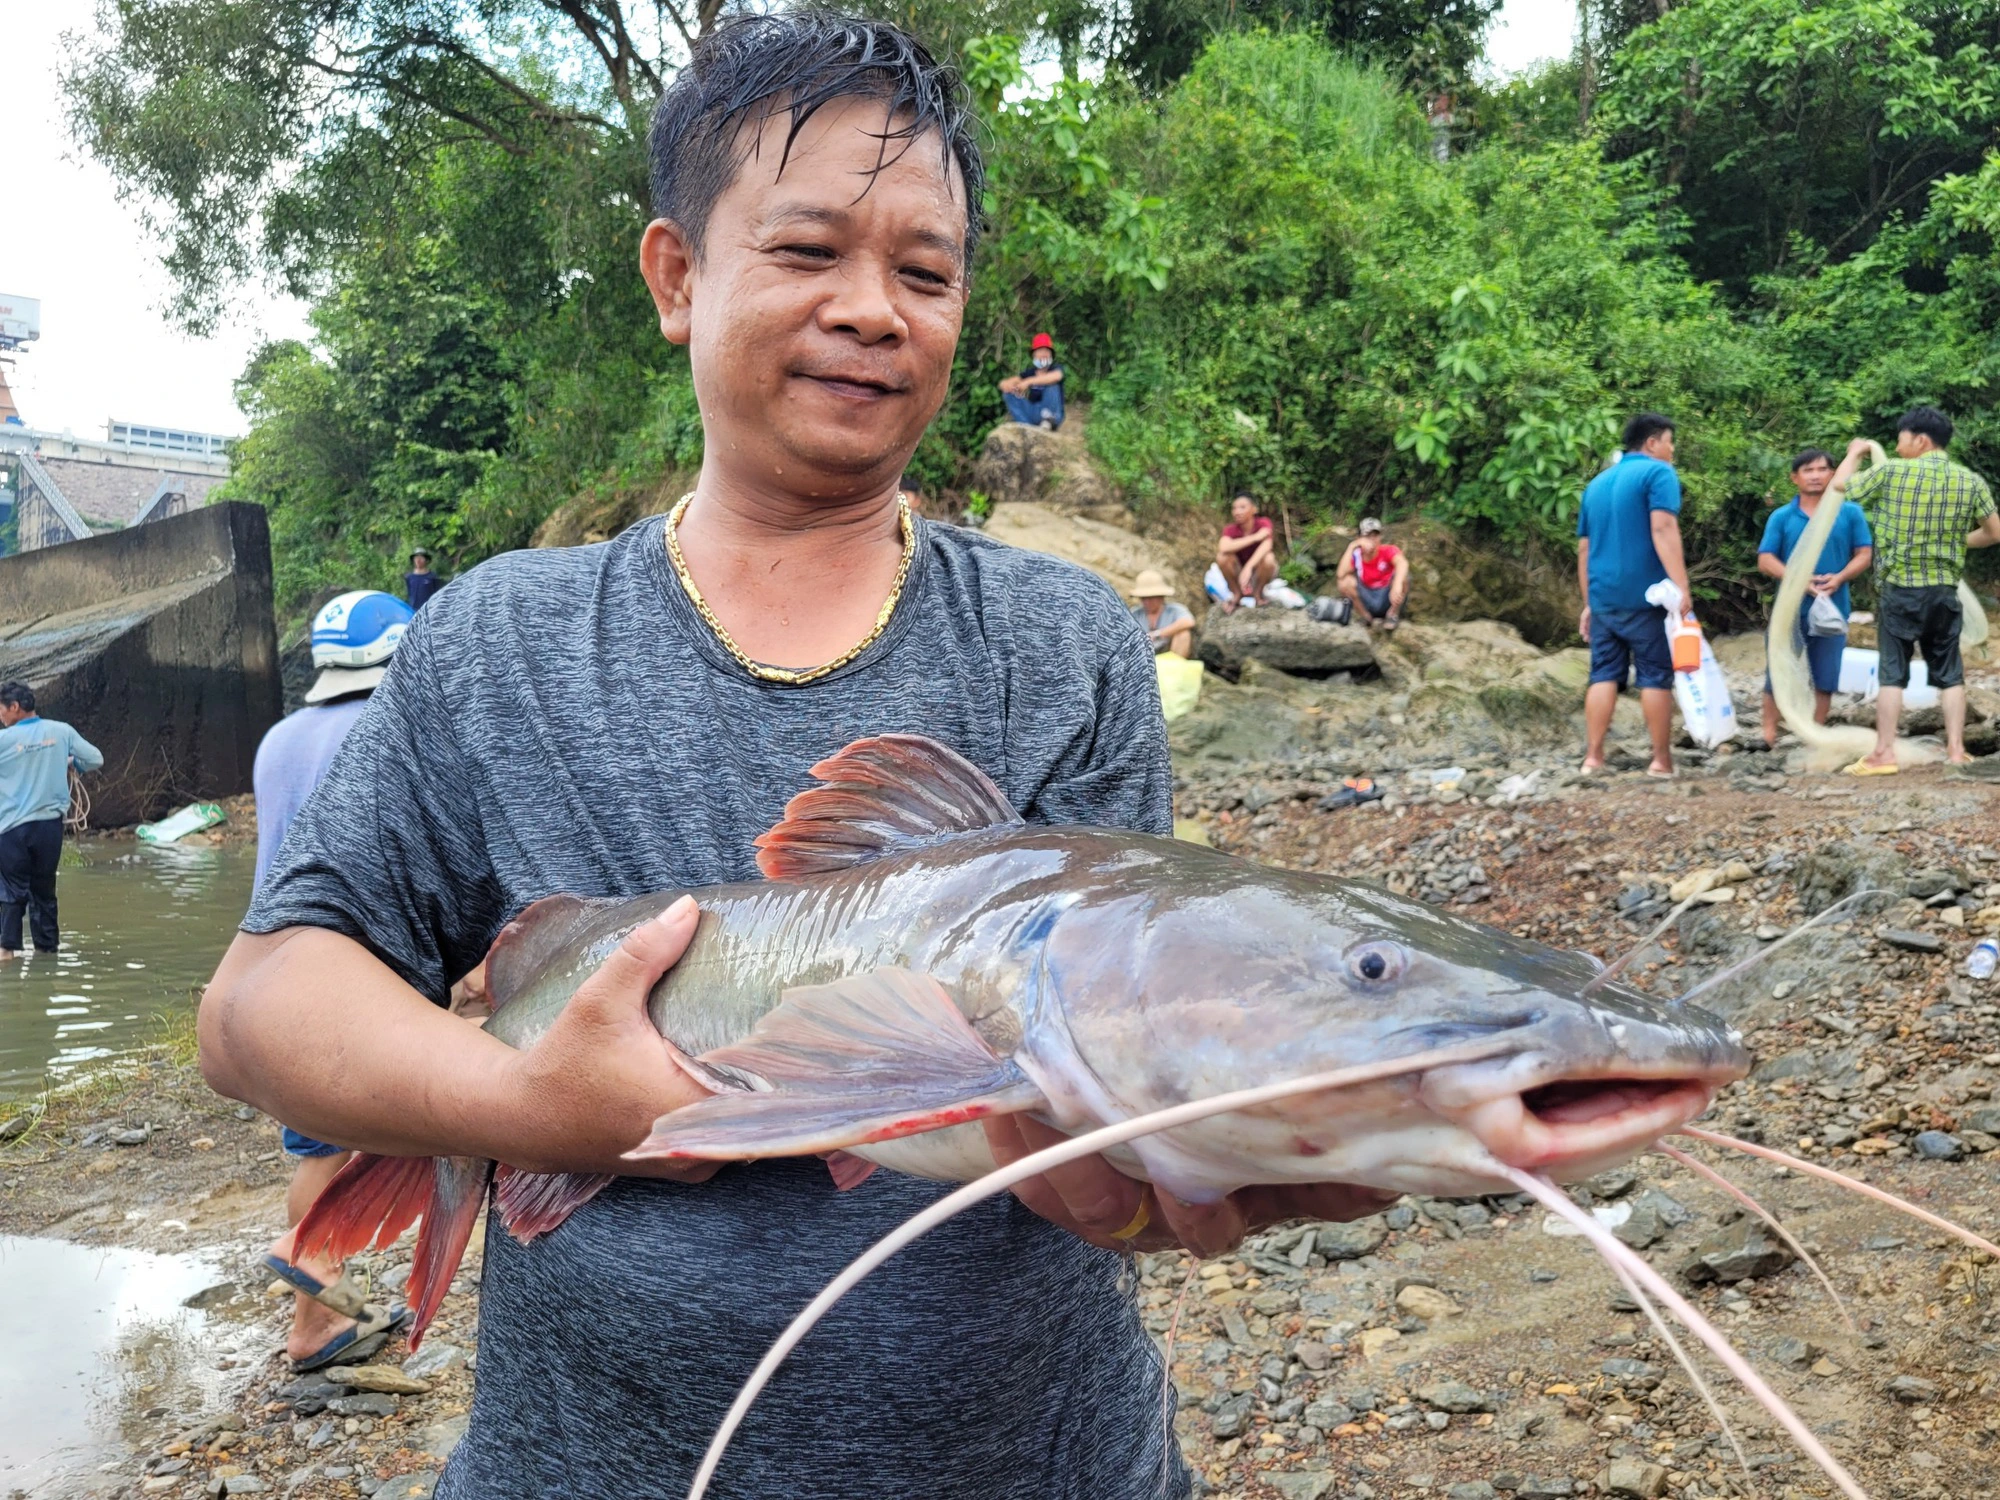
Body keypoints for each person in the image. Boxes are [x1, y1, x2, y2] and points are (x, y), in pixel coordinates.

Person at [198, 18, 1387, 1500]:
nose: (875, 310)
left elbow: (1099, 1127)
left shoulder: (1067, 645)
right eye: (810, 250)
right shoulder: (498, 639)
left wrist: (1163, 1173)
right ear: (676, 278)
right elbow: (257, 1007)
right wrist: (535, 1113)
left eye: (927, 272)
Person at [253, 590, 417, 1369]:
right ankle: (309, 1252)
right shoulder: (387, 729)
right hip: (352, 970)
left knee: (319, 1150)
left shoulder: (280, 738)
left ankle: (317, 1323)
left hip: (274, 970)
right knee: (395, 1129)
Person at [1830, 405, 2000, 770]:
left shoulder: (1891, 471)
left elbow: (1840, 485)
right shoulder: (1969, 481)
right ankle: (1956, 751)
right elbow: (1994, 532)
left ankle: (1884, 753)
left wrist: (1853, 453)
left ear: (1920, 440)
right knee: (1950, 674)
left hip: (1901, 589)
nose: (1896, 445)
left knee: (1893, 673)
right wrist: (1955, 541)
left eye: (1901, 438)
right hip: (1944, 591)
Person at [1576, 412, 1696, 778]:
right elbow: (1662, 528)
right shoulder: (1658, 473)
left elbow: (1584, 548)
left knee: (1603, 674)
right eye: (1669, 441)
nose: (1672, 450)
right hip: (1646, 596)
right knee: (1655, 675)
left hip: (1603, 598)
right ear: (1652, 443)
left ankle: (1593, 758)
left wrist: (1588, 603)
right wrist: (1682, 586)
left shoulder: (1596, 484)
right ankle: (1660, 760)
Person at [1756, 448, 1873, 748]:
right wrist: (1797, 579)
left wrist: (1840, 577)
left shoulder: (1849, 513)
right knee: (1778, 669)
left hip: (1834, 606)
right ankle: (1768, 733)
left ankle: (1814, 735)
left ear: (1834, 474)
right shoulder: (1782, 516)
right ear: (1795, 478)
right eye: (1808, 470)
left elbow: (1864, 554)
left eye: (1822, 469)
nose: (1816, 476)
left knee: (1826, 674)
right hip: (1790, 609)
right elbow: (1766, 559)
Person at [0, 682, 101, 961]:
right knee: (44, 891)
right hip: (49, 828)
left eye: (1, 709)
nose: (0, 717)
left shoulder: (3, 741)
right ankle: (47, 952)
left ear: (14, 707)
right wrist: (71, 763)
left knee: (11, 892)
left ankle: (6, 952)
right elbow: (95, 759)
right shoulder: (61, 731)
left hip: (10, 829)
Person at [1335, 517, 1409, 630]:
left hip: (1387, 597)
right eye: (1368, 536)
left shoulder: (1387, 550)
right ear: (1360, 538)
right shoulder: (1357, 555)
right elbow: (1340, 574)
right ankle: (1366, 617)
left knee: (1403, 578)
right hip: (1367, 597)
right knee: (1345, 582)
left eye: (1375, 535)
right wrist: (1352, 546)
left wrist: (1397, 585)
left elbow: (1402, 563)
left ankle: (1392, 614)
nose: (1372, 540)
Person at [1216, 490, 1277, 611]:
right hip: (1238, 573)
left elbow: (1267, 545)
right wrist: (1255, 537)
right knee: (1222, 557)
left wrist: (1248, 567)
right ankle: (1236, 594)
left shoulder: (1264, 523)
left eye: (1242, 507)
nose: (1237, 512)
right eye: (1234, 508)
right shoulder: (1230, 530)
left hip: (1257, 572)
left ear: (1254, 509)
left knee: (1269, 558)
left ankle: (1258, 594)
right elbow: (1223, 547)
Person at [998, 332, 1065, 429]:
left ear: (1051, 354)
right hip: (1034, 411)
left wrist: (1028, 381)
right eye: (1040, 351)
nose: (1044, 354)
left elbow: (1057, 377)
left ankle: (1048, 422)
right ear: (1034, 354)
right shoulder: (1030, 372)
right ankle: (1025, 425)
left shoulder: (1056, 369)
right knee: (1009, 394)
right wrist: (1006, 384)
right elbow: (1011, 381)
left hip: (1051, 414)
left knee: (1053, 386)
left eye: (1047, 351)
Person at [1129, 569, 1194, 656]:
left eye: (1151, 598)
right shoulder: (1135, 613)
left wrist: (1158, 634)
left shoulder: (1174, 610)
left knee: (1183, 634)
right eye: (1143, 598)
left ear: (1161, 597)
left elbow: (1188, 621)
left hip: (1168, 653)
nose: (1147, 602)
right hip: (1142, 656)